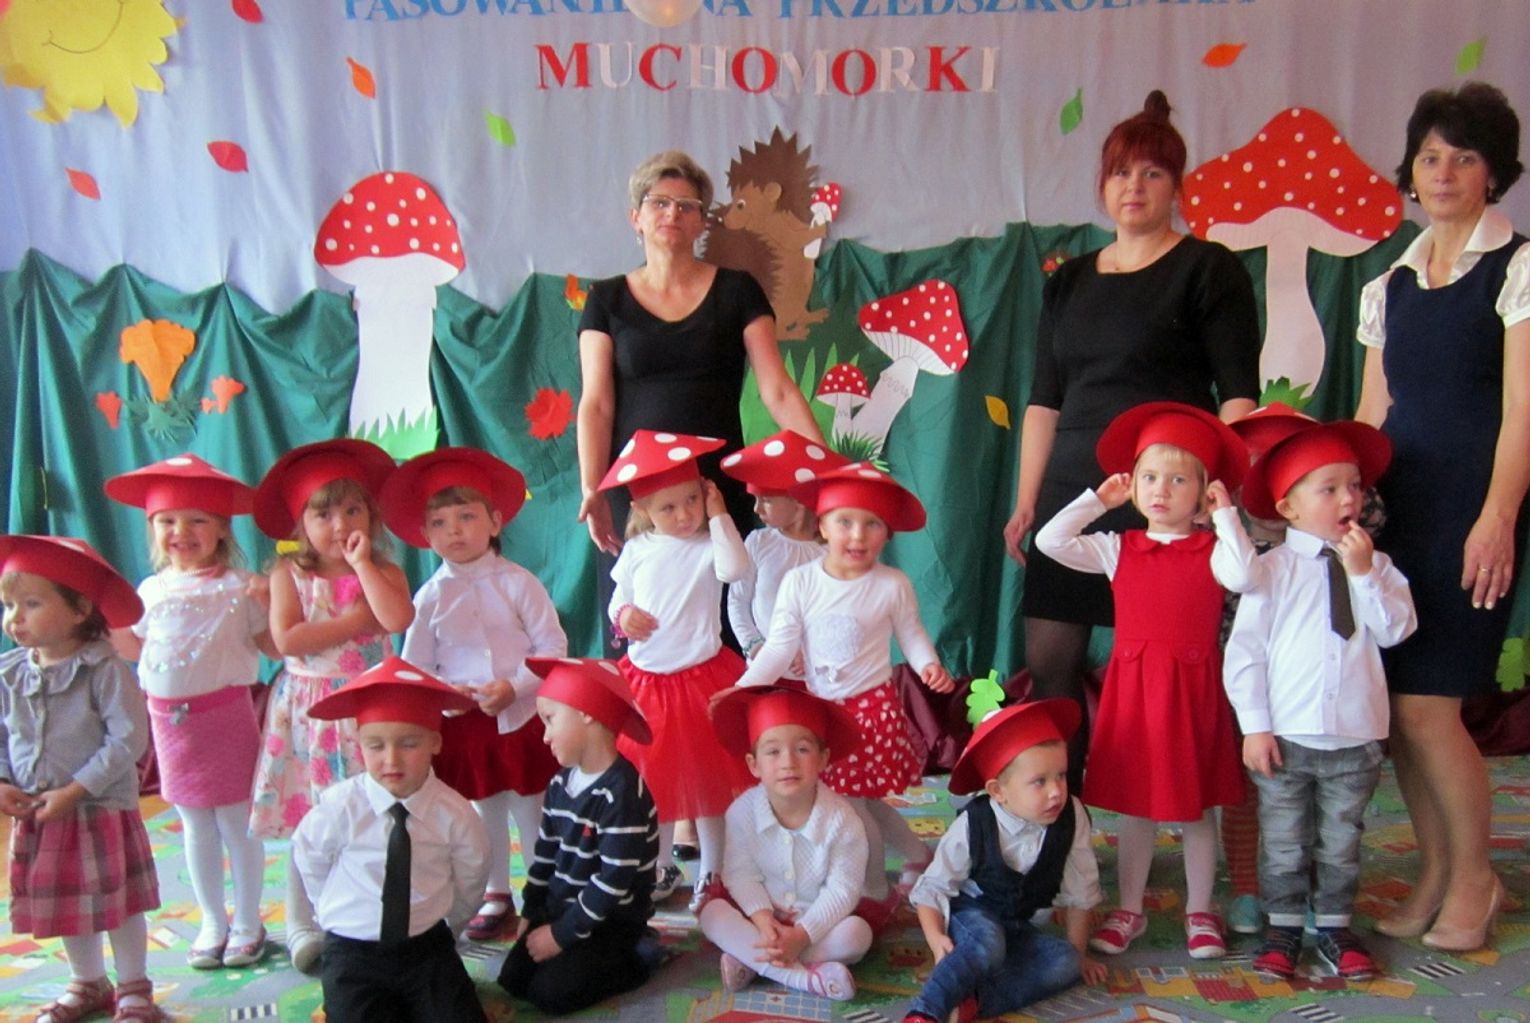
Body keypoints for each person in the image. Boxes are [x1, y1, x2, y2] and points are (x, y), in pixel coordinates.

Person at [1002, 90, 1261, 790]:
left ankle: (1187, 817)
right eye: (1120, 172)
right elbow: (1044, 400)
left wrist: (1218, 495)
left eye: (1152, 173)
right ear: (1102, 183)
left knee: (1179, 663)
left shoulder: (1209, 269)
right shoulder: (1069, 281)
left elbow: (1239, 394)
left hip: (1169, 495)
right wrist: (1028, 501)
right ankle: (1064, 817)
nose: (1134, 187)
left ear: (1177, 185)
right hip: (1075, 490)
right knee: (1051, 662)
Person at [1355, 81, 1528, 952]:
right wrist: (1348, 514)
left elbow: (1523, 410)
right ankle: (1434, 871)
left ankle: (1475, 879)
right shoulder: (1387, 282)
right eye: (1430, 156)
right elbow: (1371, 414)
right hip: (1399, 517)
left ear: (1494, 172)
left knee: (1433, 707)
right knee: (1398, 713)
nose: (1445, 171)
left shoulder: (1518, 267)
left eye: (1464, 156)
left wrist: (1498, 516)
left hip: (1471, 510)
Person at [1035, 402, 1259, 959]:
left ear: (1204, 491)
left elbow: (1246, 576)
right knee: (1135, 807)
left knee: (1196, 809)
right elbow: (1049, 542)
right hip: (1135, 696)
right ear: (1132, 484)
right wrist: (1097, 501)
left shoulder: (1214, 551)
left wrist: (1226, 517)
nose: (1161, 490)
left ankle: (1200, 910)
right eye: (1150, 477)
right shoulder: (1118, 547)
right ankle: (1129, 909)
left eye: (1179, 480)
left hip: (1192, 694)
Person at [1225, 421, 1417, 980]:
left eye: (1354, 486)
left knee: (1341, 841)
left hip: (1356, 737)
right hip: (1286, 737)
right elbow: (1246, 654)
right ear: (1288, 507)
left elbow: (1395, 631)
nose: (1348, 499)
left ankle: (1334, 925)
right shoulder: (1271, 571)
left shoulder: (1379, 567)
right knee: (1284, 841)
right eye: (1328, 488)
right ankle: (1283, 926)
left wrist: (1363, 576)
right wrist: (1254, 726)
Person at [574, 149, 823, 560]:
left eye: (686, 205)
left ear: (702, 222)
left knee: (728, 597)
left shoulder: (739, 291)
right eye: (659, 203)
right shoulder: (605, 299)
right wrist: (592, 487)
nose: (672, 213)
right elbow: (596, 405)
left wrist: (825, 470)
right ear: (636, 218)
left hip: (715, 490)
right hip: (637, 495)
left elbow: (777, 391)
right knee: (639, 601)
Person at [736, 462, 956, 901]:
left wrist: (928, 664)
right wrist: (744, 688)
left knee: (852, 808)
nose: (858, 535)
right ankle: (918, 855)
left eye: (872, 524)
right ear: (822, 525)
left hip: (871, 714)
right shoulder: (801, 582)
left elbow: (911, 633)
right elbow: (779, 647)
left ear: (887, 533)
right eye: (845, 522)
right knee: (863, 802)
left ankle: (871, 891)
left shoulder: (892, 584)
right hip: (825, 712)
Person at [383, 447, 568, 942]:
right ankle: (495, 891)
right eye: (440, 523)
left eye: (466, 517)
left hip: (521, 718)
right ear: (426, 535)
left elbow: (552, 646)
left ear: (494, 521)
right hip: (465, 724)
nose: (455, 531)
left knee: (531, 807)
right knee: (484, 811)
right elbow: (416, 666)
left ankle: (541, 891)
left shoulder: (518, 583)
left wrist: (515, 686)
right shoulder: (429, 597)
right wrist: (447, 695)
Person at [248, 438, 415, 972]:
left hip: (371, 710)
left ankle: (371, 912)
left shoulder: (383, 571)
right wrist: (354, 622)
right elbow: (288, 639)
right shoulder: (288, 575)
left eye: (352, 510)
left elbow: (396, 619)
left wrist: (362, 566)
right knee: (314, 817)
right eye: (323, 514)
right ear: (300, 525)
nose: (340, 524)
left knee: (375, 813)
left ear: (371, 516)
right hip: (312, 712)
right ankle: (303, 921)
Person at [105, 454, 277, 971]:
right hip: (170, 724)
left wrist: (273, 601)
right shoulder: (151, 589)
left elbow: (272, 645)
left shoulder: (240, 586)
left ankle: (248, 922)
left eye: (197, 519)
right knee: (195, 823)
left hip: (226, 719)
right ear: (153, 529)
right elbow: (136, 649)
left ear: (222, 528)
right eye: (167, 521)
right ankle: (212, 921)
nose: (181, 532)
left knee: (236, 823)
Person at [0, 535, 166, 1023]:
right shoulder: (10, 673)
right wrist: (3, 781)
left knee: (118, 903)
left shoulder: (104, 669)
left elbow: (128, 739)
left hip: (98, 809)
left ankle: (134, 987)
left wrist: (77, 790)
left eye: (32, 604)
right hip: (41, 811)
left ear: (79, 609)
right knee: (68, 904)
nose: (15, 618)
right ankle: (88, 981)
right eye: (9, 605)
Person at [598, 429, 757, 906]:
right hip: (647, 684)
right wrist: (625, 615)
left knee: (711, 786)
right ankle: (660, 864)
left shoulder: (710, 543)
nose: (685, 514)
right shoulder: (638, 550)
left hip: (702, 678)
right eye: (669, 507)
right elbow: (618, 600)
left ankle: (713, 873)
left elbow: (735, 570)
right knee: (654, 785)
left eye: (692, 500)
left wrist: (719, 514)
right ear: (643, 509)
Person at [292, 655, 490, 1023]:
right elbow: (310, 860)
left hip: (425, 947)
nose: (391, 759)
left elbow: (471, 877)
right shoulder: (339, 807)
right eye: (376, 746)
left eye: (409, 744)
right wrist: (332, 909)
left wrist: (449, 923)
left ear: (435, 742)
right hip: (352, 951)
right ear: (359, 744)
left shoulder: (456, 813)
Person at [904, 698, 1105, 1023]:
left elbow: (1081, 889)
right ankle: (927, 1010)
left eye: (1061, 776)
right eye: (1039, 782)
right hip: (972, 913)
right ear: (998, 791)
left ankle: (975, 1002)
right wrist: (936, 938)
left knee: (1066, 961)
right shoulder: (974, 823)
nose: (1056, 791)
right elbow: (933, 887)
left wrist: (1079, 954)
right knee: (988, 943)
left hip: (1021, 925)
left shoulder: (1072, 815)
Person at [497, 657, 661, 1015]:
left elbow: (612, 882)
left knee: (551, 995)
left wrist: (561, 935)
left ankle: (641, 956)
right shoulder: (560, 784)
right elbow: (545, 855)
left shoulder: (622, 793)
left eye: (550, 719)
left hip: (611, 921)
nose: (545, 735)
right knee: (512, 980)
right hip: (564, 908)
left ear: (587, 713)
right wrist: (532, 912)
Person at [700, 683, 872, 1002]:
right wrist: (764, 921)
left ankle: (753, 960)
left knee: (857, 935)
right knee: (711, 913)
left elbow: (843, 889)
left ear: (823, 758)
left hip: (818, 924)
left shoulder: (843, 820)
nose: (788, 762)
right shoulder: (741, 813)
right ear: (753, 764)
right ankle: (806, 979)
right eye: (773, 752)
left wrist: (802, 935)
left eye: (803, 749)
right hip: (760, 921)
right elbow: (740, 875)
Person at [1218, 404, 1319, 936]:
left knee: (1307, 793)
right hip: (1246, 691)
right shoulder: (1226, 541)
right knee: (1246, 790)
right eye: (1258, 464)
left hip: (1306, 690)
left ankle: (1304, 887)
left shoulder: (1326, 551)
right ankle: (1245, 886)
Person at [721, 429, 846, 667]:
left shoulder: (829, 553)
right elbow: (737, 600)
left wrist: (815, 653)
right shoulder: (758, 542)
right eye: (755, 499)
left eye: (766, 500)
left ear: (799, 502)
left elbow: (840, 613)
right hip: (764, 668)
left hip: (816, 673)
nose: (756, 509)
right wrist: (755, 646)